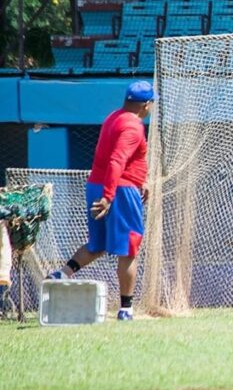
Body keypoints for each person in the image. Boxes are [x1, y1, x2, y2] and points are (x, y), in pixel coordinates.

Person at [47, 81, 155, 321]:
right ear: (145, 105)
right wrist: (109, 197)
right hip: (118, 190)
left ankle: (62, 274)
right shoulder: (133, 127)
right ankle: (126, 309)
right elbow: (117, 160)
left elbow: (114, 158)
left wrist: (141, 180)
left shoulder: (113, 117)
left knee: (98, 243)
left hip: (97, 185)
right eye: (151, 104)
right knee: (128, 248)